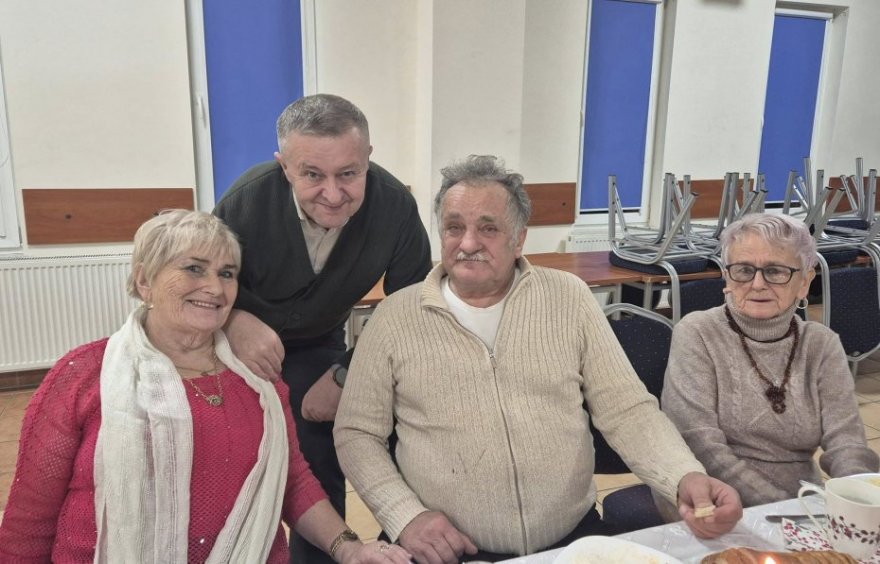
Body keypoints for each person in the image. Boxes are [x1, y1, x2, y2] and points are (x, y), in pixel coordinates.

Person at [333, 155, 743, 563]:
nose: (468, 243)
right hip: (447, 551)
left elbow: (626, 409)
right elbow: (357, 432)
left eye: (488, 228)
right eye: (454, 227)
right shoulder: (395, 318)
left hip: (571, 541)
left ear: (519, 239)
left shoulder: (569, 297)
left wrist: (682, 475)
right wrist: (405, 516)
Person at [0, 210, 411, 564]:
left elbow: (292, 481)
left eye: (226, 273)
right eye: (194, 268)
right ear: (145, 281)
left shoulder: (257, 379)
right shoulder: (83, 376)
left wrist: (349, 549)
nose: (215, 288)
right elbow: (30, 523)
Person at [214, 94, 432, 563]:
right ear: (284, 167)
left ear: (367, 158)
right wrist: (233, 320)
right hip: (232, 343)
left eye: (348, 174)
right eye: (312, 175)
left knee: (321, 443)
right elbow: (200, 285)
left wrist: (348, 373)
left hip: (318, 343)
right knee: (230, 457)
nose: (333, 194)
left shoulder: (395, 207)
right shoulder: (244, 202)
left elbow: (413, 308)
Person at [661, 212, 879, 509]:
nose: (758, 284)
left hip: (801, 501)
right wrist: (783, 508)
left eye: (775, 271)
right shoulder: (698, 332)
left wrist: (859, 500)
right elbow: (701, 445)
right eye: (743, 270)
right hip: (715, 500)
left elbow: (847, 443)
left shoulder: (821, 344)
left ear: (804, 282)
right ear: (727, 277)